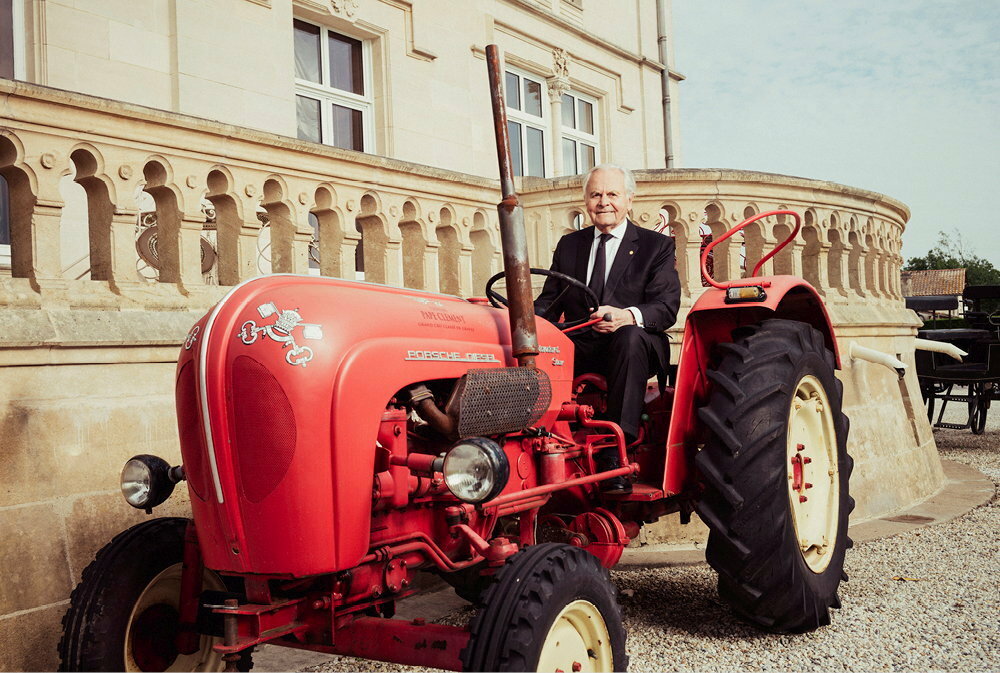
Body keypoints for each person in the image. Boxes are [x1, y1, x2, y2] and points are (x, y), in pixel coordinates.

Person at [534, 164, 681, 492]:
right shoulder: (570, 245)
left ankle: (617, 452)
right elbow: (548, 303)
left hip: (636, 343)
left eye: (612, 194)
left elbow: (666, 307)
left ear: (630, 199)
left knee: (628, 339)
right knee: (538, 345)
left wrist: (627, 315)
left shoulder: (655, 246)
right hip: (582, 343)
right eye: (596, 194)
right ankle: (540, 445)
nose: (604, 201)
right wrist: (523, 326)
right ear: (586, 200)